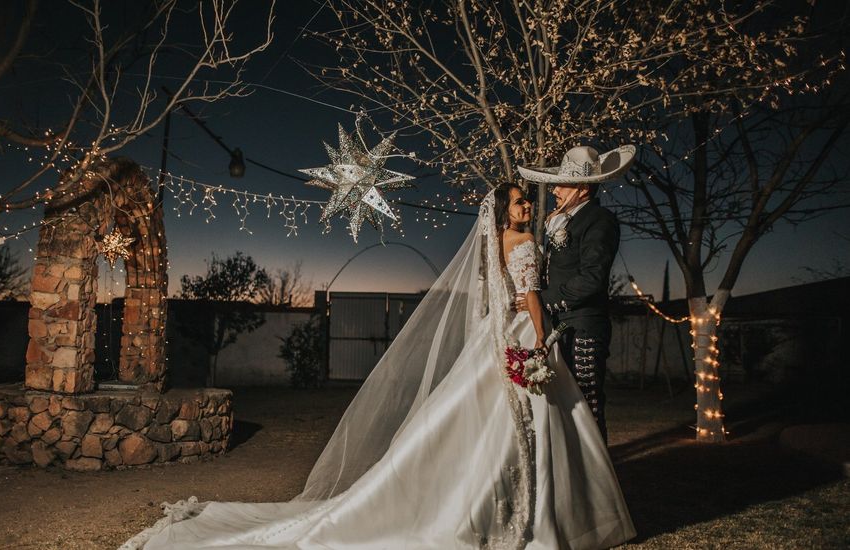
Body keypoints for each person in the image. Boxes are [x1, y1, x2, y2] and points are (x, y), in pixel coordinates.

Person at [122, 171, 636, 549]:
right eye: (522, 202)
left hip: (497, 335)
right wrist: (541, 343)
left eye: (527, 201)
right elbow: (529, 297)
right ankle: (536, 513)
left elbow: (500, 292)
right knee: (529, 422)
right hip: (523, 332)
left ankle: (495, 501)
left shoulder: (499, 242)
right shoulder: (522, 240)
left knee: (483, 421)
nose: (529, 207)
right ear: (506, 212)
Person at [517, 145, 636, 443]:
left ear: (582, 189)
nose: (555, 190)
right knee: (566, 410)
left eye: (562, 184)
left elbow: (592, 279)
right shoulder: (563, 221)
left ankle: (599, 483)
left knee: (587, 407)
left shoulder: (599, 220)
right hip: (560, 326)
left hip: (584, 328)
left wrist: (542, 299)